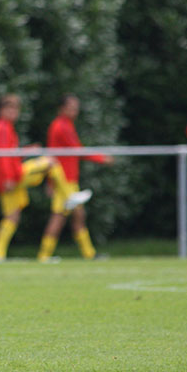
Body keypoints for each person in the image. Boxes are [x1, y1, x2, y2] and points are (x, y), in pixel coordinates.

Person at [0, 94, 92, 263]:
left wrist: (26, 151)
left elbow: (10, 154)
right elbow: (2, 157)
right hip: (13, 176)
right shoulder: (2, 128)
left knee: (12, 216)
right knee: (51, 161)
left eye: (16, 108)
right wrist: (7, 178)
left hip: (11, 175)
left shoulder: (4, 128)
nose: (14, 112)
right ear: (1, 110)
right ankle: (69, 196)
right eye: (10, 108)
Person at [36, 95, 114, 261]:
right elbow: (75, 150)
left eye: (76, 107)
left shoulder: (65, 125)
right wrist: (101, 158)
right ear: (62, 108)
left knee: (77, 215)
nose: (75, 111)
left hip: (68, 180)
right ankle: (44, 255)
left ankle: (89, 254)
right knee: (59, 216)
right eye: (71, 107)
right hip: (63, 181)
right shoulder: (61, 126)